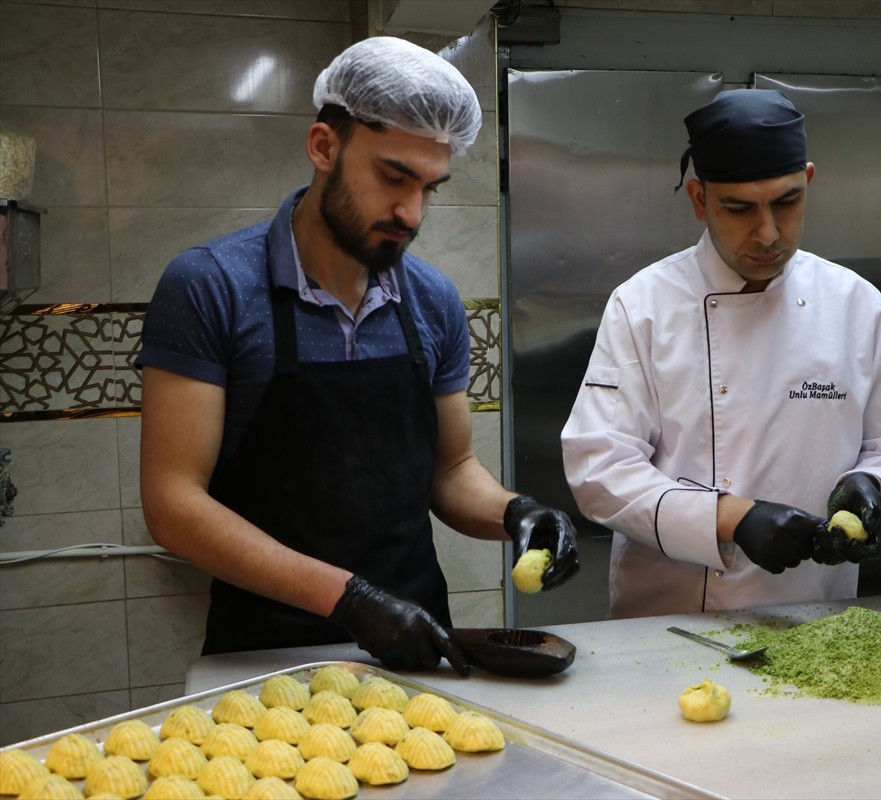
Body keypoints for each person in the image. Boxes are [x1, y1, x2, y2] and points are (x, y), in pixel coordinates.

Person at [138, 37, 579, 674]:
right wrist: (349, 599)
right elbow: (174, 504)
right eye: (393, 177)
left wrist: (519, 513)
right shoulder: (212, 286)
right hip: (266, 652)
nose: (411, 211)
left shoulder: (431, 300)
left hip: (418, 641)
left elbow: (451, 470)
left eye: (431, 187)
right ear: (324, 147)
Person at [561, 89, 881, 618]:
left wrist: (879, 489)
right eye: (738, 209)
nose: (768, 234)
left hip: (817, 616)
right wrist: (729, 518)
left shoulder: (856, 304)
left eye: (787, 202)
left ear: (809, 180)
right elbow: (600, 469)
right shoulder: (643, 306)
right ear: (698, 199)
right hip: (671, 621)